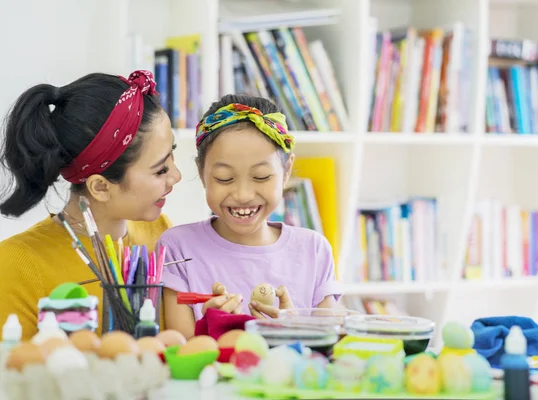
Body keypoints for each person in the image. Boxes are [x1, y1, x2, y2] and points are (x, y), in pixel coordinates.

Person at [0, 70, 182, 339]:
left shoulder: (162, 233)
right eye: (160, 170)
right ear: (101, 187)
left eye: (172, 156)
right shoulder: (16, 264)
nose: (176, 176)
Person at [158, 94, 343, 339]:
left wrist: (295, 332)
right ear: (201, 173)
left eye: (261, 176)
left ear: (286, 171)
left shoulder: (313, 250)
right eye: (224, 178)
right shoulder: (177, 248)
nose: (243, 195)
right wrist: (211, 329)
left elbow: (329, 347)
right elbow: (182, 354)